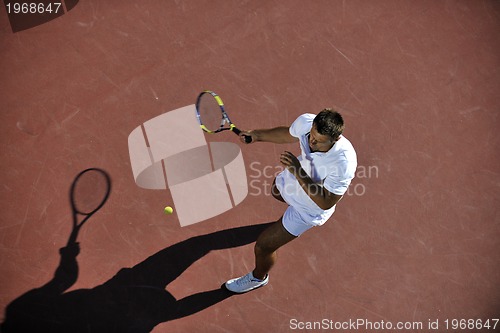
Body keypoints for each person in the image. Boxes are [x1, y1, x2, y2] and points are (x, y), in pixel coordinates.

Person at [225, 108, 357, 293]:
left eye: (319, 141)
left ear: (335, 140)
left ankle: (258, 278)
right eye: (311, 135)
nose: (311, 142)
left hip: (309, 208)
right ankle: (283, 223)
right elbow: (287, 134)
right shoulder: (307, 123)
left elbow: (326, 202)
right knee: (276, 192)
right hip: (294, 181)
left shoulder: (344, 162)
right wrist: (257, 135)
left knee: (263, 246)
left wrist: (298, 170)